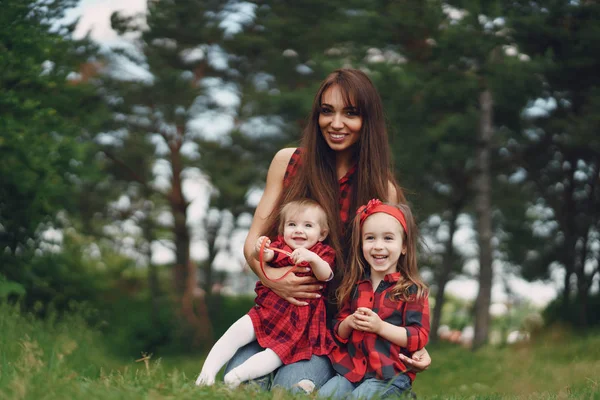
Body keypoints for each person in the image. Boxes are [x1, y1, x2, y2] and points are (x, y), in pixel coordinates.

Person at [223, 68, 431, 394]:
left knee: (288, 390)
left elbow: (393, 272)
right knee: (238, 384)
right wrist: (273, 280)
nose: (335, 123)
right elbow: (253, 242)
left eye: (350, 113)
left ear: (368, 121)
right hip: (276, 315)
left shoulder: (382, 189)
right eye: (326, 111)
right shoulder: (287, 162)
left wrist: (415, 338)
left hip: (329, 328)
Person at [195, 199, 336, 388]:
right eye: (292, 224)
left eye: (308, 225)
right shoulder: (281, 247)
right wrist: (260, 249)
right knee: (236, 332)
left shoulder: (322, 253)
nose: (298, 230)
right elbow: (266, 256)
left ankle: (237, 375)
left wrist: (311, 258)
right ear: (283, 229)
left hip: (297, 323)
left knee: (275, 355)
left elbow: (325, 274)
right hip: (268, 311)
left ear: (322, 233)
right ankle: (206, 373)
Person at [318, 199, 429, 399]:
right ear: (361, 244)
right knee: (325, 395)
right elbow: (337, 331)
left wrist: (380, 327)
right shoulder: (355, 286)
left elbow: (418, 336)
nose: (378, 246)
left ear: (403, 246)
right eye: (370, 238)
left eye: (388, 238)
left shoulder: (412, 290)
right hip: (350, 372)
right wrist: (349, 322)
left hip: (389, 375)